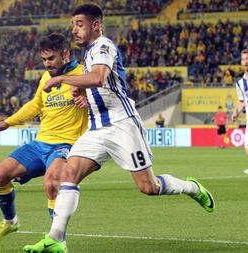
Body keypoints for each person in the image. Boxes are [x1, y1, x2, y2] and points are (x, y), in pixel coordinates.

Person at [23, 4, 215, 253]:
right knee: (68, 174)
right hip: (97, 128)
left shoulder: (103, 45)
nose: (74, 30)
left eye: (79, 25)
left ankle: (192, 188)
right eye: (73, 25)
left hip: (122, 125)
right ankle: (56, 239)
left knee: (149, 187)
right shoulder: (89, 53)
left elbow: (98, 78)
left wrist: (61, 79)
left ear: (95, 25)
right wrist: (83, 92)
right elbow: (98, 84)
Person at [0, 33, 88, 243]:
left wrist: (89, 99)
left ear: (65, 54)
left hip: (66, 144)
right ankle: (11, 222)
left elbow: (105, 96)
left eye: (51, 58)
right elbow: (35, 105)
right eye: (44, 59)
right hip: (40, 143)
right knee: (0, 176)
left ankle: (57, 240)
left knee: (52, 184)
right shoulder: (46, 78)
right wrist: (6, 123)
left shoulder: (83, 73)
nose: (47, 64)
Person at [231, 49, 248, 155]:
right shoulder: (240, 83)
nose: (246, 62)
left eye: (247, 59)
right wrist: (236, 112)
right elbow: (241, 101)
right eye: (243, 59)